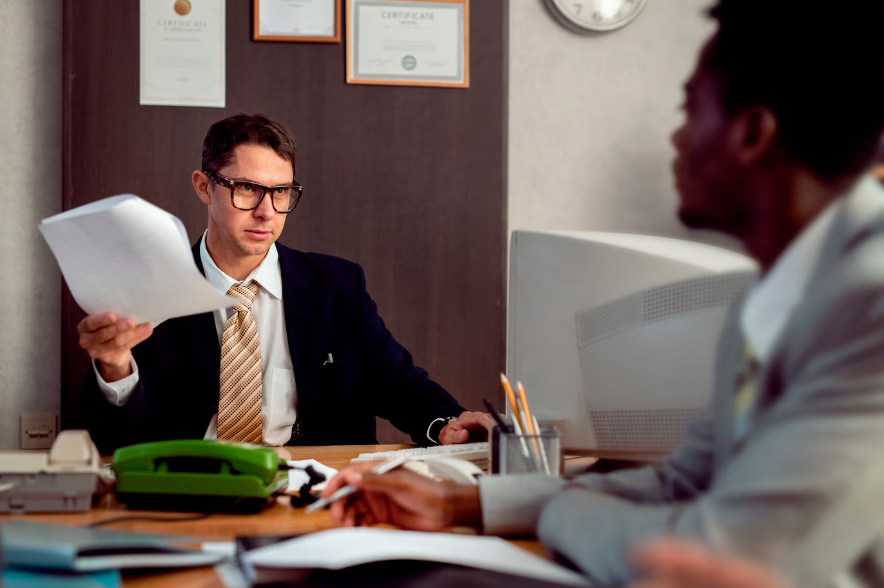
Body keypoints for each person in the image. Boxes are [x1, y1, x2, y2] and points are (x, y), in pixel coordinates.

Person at [322, 0, 884, 583]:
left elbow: (725, 559)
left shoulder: (871, 306)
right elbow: (680, 484)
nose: (676, 137)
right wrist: (463, 504)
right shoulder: (774, 294)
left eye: (689, 110)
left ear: (751, 133)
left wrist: (560, 509)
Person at [78, 113, 490, 453]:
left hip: (317, 491)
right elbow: (120, 443)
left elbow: (397, 382)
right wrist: (114, 368)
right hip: (193, 491)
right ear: (204, 187)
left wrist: (447, 423)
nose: (266, 212)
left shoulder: (337, 286)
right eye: (247, 189)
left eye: (281, 192)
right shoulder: (151, 289)